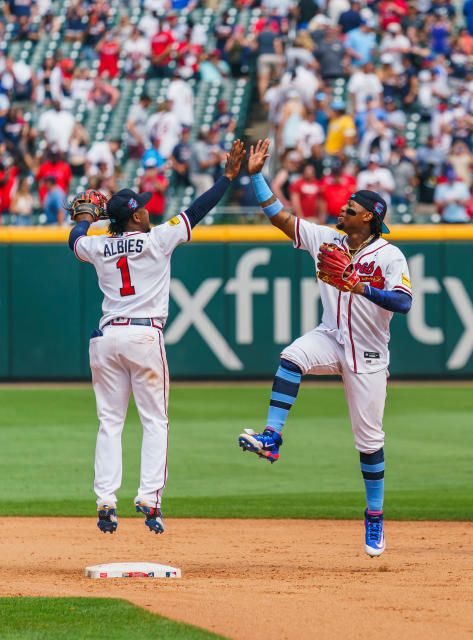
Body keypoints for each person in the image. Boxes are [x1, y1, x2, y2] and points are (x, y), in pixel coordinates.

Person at [238, 139, 413, 558]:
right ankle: (272, 436)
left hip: (369, 353)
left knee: (369, 442)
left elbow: (404, 302)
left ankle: (374, 518)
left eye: (351, 208)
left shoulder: (389, 255)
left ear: (369, 217)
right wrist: (256, 176)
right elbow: (279, 217)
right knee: (292, 356)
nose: (342, 209)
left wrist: (360, 285)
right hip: (331, 336)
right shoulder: (325, 238)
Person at [69, 140, 245, 535]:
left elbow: (74, 240)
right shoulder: (155, 239)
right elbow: (197, 210)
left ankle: (105, 501)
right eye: (142, 206)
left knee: (109, 422)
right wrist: (227, 177)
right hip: (144, 337)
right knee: (155, 421)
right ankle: (149, 499)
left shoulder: (98, 245)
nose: (149, 209)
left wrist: (85, 217)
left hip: (106, 339)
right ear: (134, 217)